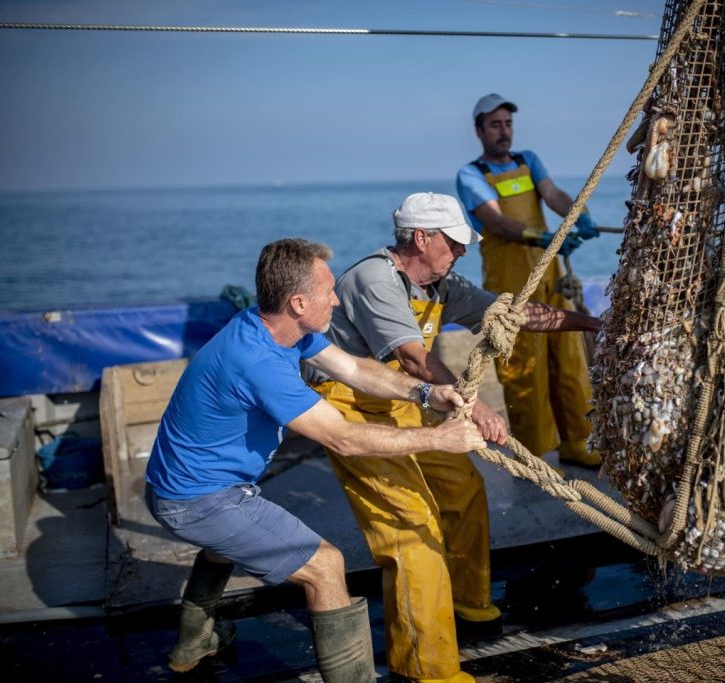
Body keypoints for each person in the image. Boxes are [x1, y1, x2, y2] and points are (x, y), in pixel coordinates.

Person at [144, 238, 486, 681]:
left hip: (185, 488)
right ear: (299, 302)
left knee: (225, 543)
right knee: (325, 567)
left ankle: (193, 641)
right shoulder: (259, 363)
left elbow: (354, 369)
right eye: (328, 291)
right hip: (198, 500)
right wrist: (439, 439)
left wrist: (425, 393)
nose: (337, 299)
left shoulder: (272, 327)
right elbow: (343, 438)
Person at [308, 193, 601, 683]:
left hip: (406, 399)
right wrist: (477, 408)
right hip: (349, 406)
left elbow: (513, 314)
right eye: (455, 242)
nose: (463, 251)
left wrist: (591, 323)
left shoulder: (442, 283)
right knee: (410, 528)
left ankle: (469, 605)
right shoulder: (374, 280)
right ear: (421, 239)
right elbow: (414, 358)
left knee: (464, 489)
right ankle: (426, 669)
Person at [456, 93, 603, 469]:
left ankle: (578, 441)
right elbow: (496, 222)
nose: (503, 132)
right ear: (479, 131)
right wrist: (545, 237)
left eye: (507, 124)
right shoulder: (471, 175)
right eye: (495, 125)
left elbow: (551, 194)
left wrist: (578, 214)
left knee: (569, 361)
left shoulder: (528, 161)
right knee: (523, 369)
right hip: (510, 286)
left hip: (549, 276)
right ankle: (532, 453)